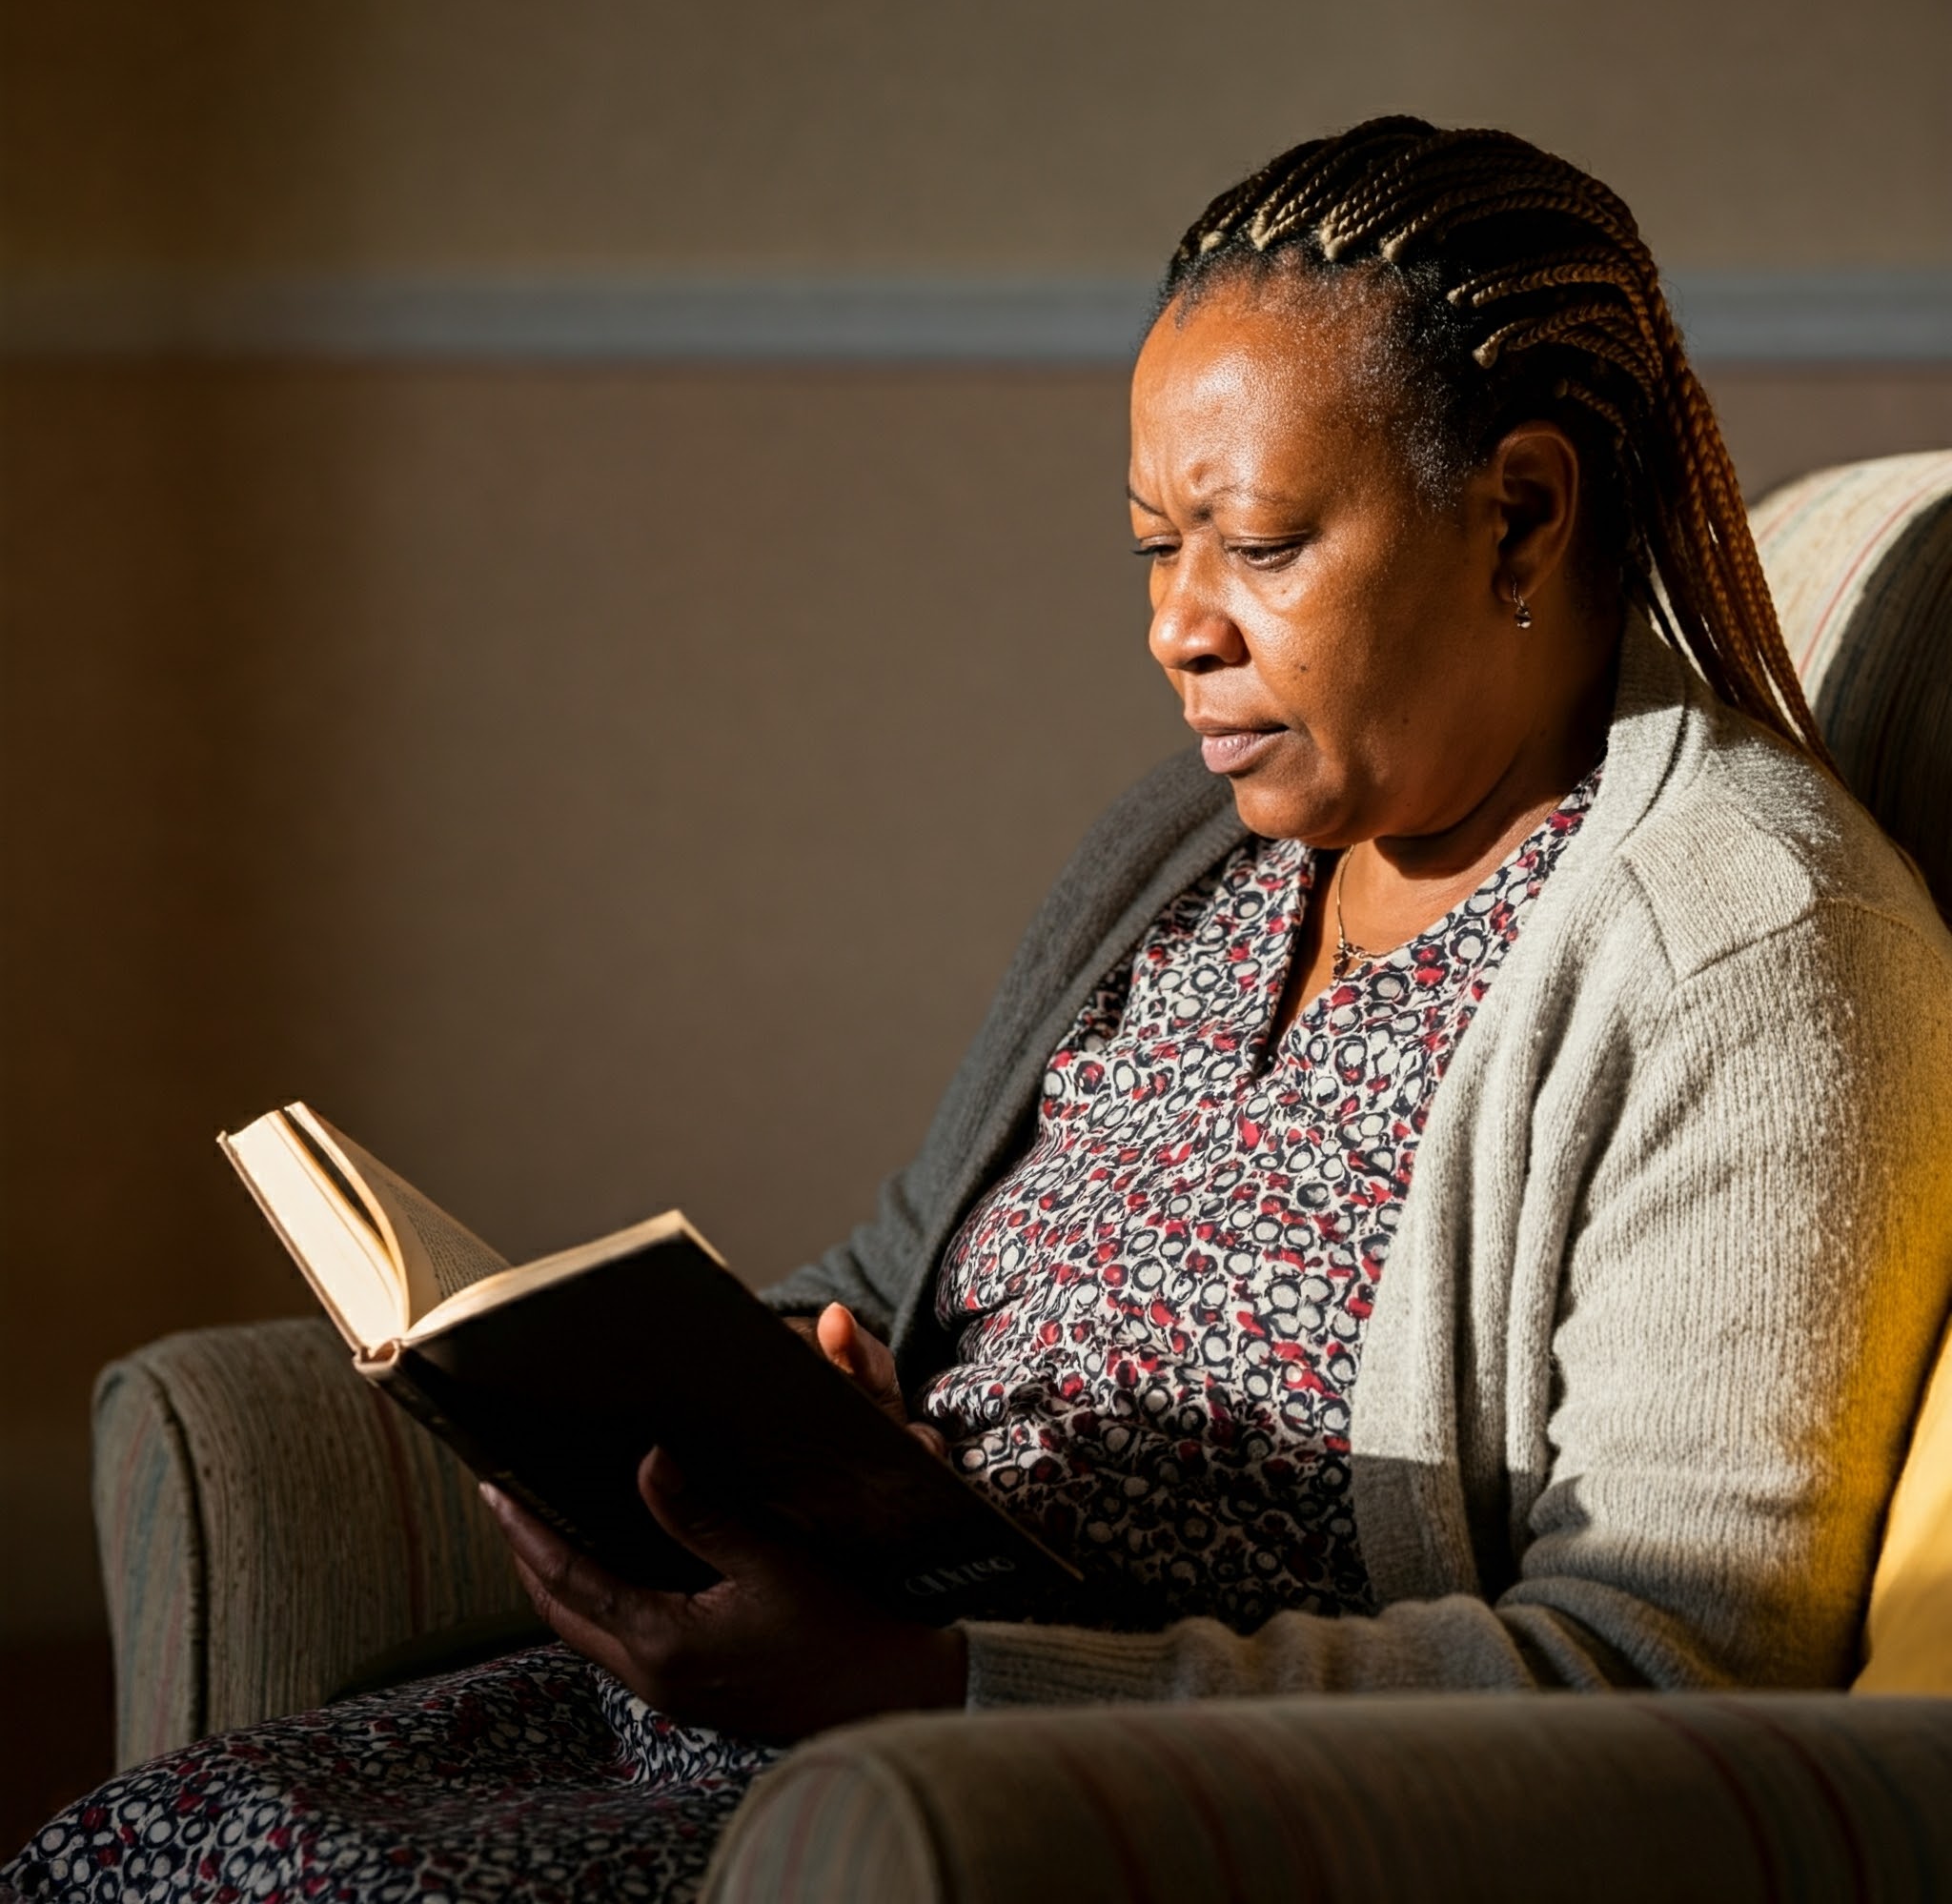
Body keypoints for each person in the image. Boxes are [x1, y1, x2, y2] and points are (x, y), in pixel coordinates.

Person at [10, 114, 1951, 1904]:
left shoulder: (1746, 948)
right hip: (803, 1711)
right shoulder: (1188, 846)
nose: (1174, 625)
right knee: (150, 1841)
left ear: (1519, 515)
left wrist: (933, 1684)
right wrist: (797, 1419)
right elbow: (898, 1262)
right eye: (1152, 549)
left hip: (1039, 1802)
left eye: (1257, 546)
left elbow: (1655, 1660)